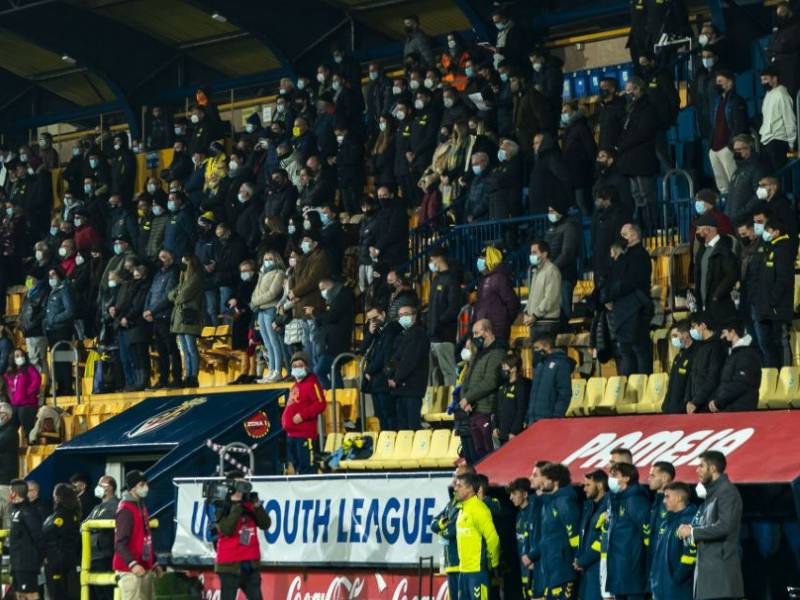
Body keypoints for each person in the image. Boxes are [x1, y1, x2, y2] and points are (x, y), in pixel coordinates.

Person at [676, 450, 744, 600]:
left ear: (712, 468)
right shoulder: (713, 493)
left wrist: (693, 532)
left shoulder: (727, 492)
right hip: (710, 576)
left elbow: (725, 526)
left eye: (701, 466)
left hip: (720, 576)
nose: (697, 469)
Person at [603, 223, 652, 375]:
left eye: (624, 234)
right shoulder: (624, 257)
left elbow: (631, 282)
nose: (621, 238)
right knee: (626, 351)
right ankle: (629, 391)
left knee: (638, 349)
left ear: (634, 235)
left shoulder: (641, 255)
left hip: (636, 308)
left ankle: (643, 388)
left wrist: (613, 293)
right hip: (623, 309)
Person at [214, 476, 271, 600]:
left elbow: (265, 524)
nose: (241, 489)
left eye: (244, 485)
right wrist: (236, 505)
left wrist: (257, 505)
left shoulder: (250, 504)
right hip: (230, 565)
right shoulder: (221, 506)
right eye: (238, 485)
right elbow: (227, 530)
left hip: (250, 564)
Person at [616, 77, 659, 229]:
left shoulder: (647, 107)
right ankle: (644, 227)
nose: (627, 94)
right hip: (631, 161)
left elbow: (643, 132)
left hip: (642, 159)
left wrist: (624, 144)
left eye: (629, 90)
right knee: (637, 196)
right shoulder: (630, 109)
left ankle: (652, 226)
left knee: (646, 195)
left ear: (638, 89)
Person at [459, 319, 505, 460]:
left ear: (487, 332)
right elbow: (466, 379)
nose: (474, 337)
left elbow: (490, 381)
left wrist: (468, 398)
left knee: (486, 455)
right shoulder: (478, 353)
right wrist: (464, 399)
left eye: (476, 333)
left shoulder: (498, 352)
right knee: (474, 455)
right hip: (471, 409)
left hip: (485, 409)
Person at [605, 462, 651, 600]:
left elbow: (646, 532)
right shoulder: (617, 499)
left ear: (626, 478)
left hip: (632, 568)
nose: (610, 478)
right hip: (619, 567)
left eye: (614, 475)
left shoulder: (635, 500)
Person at [114, 470, 160, 600]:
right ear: (133, 487)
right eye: (142, 484)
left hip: (144, 567)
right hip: (131, 571)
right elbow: (120, 543)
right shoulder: (125, 510)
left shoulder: (141, 506)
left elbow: (145, 537)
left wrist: (154, 561)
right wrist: (132, 564)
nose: (146, 487)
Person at [454, 472, 500, 600]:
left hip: (477, 572)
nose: (455, 488)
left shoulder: (479, 509)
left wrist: (493, 564)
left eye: (459, 485)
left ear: (470, 488)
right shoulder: (462, 509)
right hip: (463, 571)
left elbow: (493, 539)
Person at [754, 219, 793, 367]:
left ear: (776, 232)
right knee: (770, 343)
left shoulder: (783, 250)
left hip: (778, 307)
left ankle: (786, 376)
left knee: (781, 341)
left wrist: (772, 301)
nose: (765, 233)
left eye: (768, 230)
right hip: (768, 307)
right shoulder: (771, 248)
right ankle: (774, 377)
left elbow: (783, 280)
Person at [432, 464, 474, 599]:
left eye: (457, 477)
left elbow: (452, 531)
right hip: (451, 565)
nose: (454, 481)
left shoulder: (470, 505)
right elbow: (433, 524)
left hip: (464, 566)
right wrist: (441, 524)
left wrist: (442, 530)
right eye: (454, 477)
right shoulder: (452, 503)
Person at [649, 482, 697, 600]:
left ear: (679, 498)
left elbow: (690, 554)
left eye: (667, 496)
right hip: (660, 590)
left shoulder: (689, 521)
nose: (664, 501)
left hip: (678, 591)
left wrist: (675, 579)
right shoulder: (666, 523)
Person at [387, 304, 430, 431]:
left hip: (412, 387)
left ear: (414, 316)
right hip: (402, 388)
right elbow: (396, 358)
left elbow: (409, 361)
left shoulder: (418, 334)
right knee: (404, 428)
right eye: (400, 315)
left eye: (406, 314)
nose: (403, 317)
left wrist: (396, 379)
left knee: (412, 427)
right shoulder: (405, 335)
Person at [281, 352, 326, 475]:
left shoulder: (312, 383)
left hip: (305, 435)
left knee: (307, 468)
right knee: (297, 468)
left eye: (300, 365)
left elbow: (321, 404)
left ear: (306, 367)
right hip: (291, 435)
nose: (296, 368)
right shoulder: (295, 386)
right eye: (294, 366)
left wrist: (302, 416)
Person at [144, 250, 181, 389]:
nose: (161, 260)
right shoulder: (158, 275)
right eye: (160, 257)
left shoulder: (173, 273)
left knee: (171, 348)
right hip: (155, 317)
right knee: (161, 351)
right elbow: (150, 293)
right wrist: (146, 310)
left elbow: (167, 296)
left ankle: (177, 378)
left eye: (164, 257)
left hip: (165, 315)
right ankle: (163, 379)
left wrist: (152, 310)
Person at [361, 305, 402, 431]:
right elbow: (362, 349)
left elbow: (384, 354)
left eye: (376, 317)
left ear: (383, 314)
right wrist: (370, 334)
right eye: (371, 319)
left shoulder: (392, 329)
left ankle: (392, 441)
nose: (374, 321)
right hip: (375, 381)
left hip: (384, 378)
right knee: (380, 414)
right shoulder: (376, 333)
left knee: (389, 414)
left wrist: (368, 370)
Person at [707, 70, 749, 195]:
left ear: (730, 82)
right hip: (714, 148)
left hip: (727, 147)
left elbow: (740, 125)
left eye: (720, 81)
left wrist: (730, 145)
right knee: (722, 186)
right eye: (716, 82)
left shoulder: (737, 101)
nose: (717, 84)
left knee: (734, 183)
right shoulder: (716, 102)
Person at [692, 213, 737, 327]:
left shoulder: (724, 249)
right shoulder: (702, 250)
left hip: (720, 309)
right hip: (705, 308)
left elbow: (731, 275)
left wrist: (716, 296)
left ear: (708, 230)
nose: (697, 233)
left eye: (699, 229)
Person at [309, 277, 354, 388]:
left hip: (336, 344)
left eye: (323, 289)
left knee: (319, 371)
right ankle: (337, 399)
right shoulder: (334, 299)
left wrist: (315, 312)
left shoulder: (342, 297)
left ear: (331, 286)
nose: (322, 292)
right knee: (334, 372)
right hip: (331, 342)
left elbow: (331, 317)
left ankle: (330, 395)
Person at [426, 248, 463, 387]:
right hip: (433, 336)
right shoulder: (436, 279)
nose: (430, 263)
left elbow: (453, 308)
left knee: (448, 372)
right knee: (433, 374)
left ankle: (450, 403)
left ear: (439, 258)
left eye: (431, 260)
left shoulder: (451, 279)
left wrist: (439, 324)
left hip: (445, 335)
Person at [708, 321, 761, 412]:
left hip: (739, 411)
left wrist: (719, 402)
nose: (722, 337)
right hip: (730, 409)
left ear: (732, 332)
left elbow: (740, 383)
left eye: (724, 333)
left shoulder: (746, 354)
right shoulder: (734, 354)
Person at [251, 250, 286, 383]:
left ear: (276, 259)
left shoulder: (279, 273)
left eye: (270, 258)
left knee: (274, 341)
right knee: (266, 343)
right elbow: (257, 290)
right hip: (261, 310)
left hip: (271, 308)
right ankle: (271, 370)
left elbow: (273, 293)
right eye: (265, 258)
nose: (267, 261)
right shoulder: (263, 274)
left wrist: (256, 301)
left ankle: (277, 371)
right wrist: (254, 301)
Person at [169, 254, 204, 388]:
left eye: (185, 262)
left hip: (190, 317)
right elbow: (171, 294)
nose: (183, 266)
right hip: (180, 318)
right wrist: (176, 295)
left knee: (191, 348)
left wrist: (177, 296)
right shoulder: (183, 279)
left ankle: (193, 376)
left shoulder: (196, 278)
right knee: (184, 348)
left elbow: (182, 296)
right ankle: (187, 375)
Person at [42, 483, 81, 600]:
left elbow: (49, 536)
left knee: (57, 594)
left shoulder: (62, 516)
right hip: (65, 561)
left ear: (58, 496)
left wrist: (47, 556)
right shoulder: (70, 514)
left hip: (57, 563)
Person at [472, 247, 519, 343]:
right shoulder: (484, 279)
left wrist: (504, 321)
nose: (479, 262)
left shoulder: (499, 278)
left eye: (482, 258)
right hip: (483, 330)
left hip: (497, 331)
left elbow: (512, 303)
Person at [574, 469, 609, 600]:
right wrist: (578, 557)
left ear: (600, 485)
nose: (584, 489)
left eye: (588, 485)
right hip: (586, 570)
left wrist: (583, 560)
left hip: (599, 569)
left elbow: (603, 539)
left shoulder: (609, 505)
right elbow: (581, 535)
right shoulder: (589, 506)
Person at [8, 478, 43, 600]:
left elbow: (38, 535)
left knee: (30, 594)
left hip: (27, 563)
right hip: (16, 563)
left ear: (14, 492)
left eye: (10, 491)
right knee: (19, 594)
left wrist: (41, 556)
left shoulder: (28, 511)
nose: (9, 494)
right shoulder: (15, 511)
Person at [86, 475, 120, 600]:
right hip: (92, 555)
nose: (98, 487)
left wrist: (91, 526)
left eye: (101, 485)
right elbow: (83, 525)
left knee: (106, 593)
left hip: (105, 555)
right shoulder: (96, 507)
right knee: (95, 594)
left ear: (110, 488)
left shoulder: (116, 505)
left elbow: (102, 523)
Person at [685, 313, 726, 414]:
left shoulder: (717, 346)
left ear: (703, 325)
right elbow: (692, 375)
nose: (691, 331)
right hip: (695, 405)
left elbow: (713, 378)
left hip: (708, 405)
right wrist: (688, 401)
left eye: (693, 326)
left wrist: (696, 401)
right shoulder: (699, 347)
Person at [758, 66, 797, 172]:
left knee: (781, 175)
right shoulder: (768, 94)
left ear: (774, 79)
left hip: (779, 142)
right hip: (766, 141)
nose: (763, 83)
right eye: (762, 80)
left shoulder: (782, 94)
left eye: (765, 79)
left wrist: (791, 145)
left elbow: (789, 120)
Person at [528, 334, 573, 423]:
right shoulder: (540, 364)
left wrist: (556, 417)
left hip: (549, 420)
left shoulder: (561, 364)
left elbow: (564, 393)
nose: (535, 351)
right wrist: (528, 416)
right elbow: (533, 393)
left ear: (547, 347)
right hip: (533, 420)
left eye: (537, 348)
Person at [524, 240, 561, 339]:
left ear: (544, 254)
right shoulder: (536, 271)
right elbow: (531, 296)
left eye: (534, 252)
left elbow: (550, 298)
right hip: (536, 322)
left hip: (546, 323)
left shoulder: (552, 271)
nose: (531, 255)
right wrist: (526, 312)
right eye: (531, 253)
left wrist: (535, 315)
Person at [727, 135, 768, 223]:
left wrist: (742, 213)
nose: (736, 152)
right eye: (735, 150)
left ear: (749, 149)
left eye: (739, 149)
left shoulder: (757, 169)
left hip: (746, 223)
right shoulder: (737, 171)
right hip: (733, 222)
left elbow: (759, 196)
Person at [4, 348, 42, 438]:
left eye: (22, 355)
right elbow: (9, 388)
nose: (20, 357)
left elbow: (37, 380)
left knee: (26, 424)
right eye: (17, 356)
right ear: (13, 359)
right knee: (10, 427)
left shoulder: (29, 369)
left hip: (28, 403)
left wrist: (27, 393)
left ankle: (31, 443)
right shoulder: (9, 373)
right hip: (15, 404)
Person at [508, 477, 536, 598]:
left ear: (525, 494)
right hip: (523, 568)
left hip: (535, 567)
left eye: (514, 493)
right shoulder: (519, 515)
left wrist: (533, 558)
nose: (511, 497)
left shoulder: (535, 513)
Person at [661, 320, 697, 414]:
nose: (673, 339)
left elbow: (691, 383)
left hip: (683, 410)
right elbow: (672, 382)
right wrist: (665, 405)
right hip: (670, 408)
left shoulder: (696, 354)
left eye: (675, 336)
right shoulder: (678, 356)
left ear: (685, 334)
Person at [494, 352, 530, 446]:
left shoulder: (521, 386)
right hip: (501, 432)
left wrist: (514, 431)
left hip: (512, 434)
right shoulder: (503, 386)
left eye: (505, 367)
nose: (503, 369)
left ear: (514, 368)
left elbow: (521, 410)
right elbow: (497, 408)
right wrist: (495, 426)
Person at [647, 462, 675, 558]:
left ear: (664, 478)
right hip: (652, 557)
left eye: (652, 476)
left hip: (664, 558)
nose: (649, 479)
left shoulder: (674, 502)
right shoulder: (656, 501)